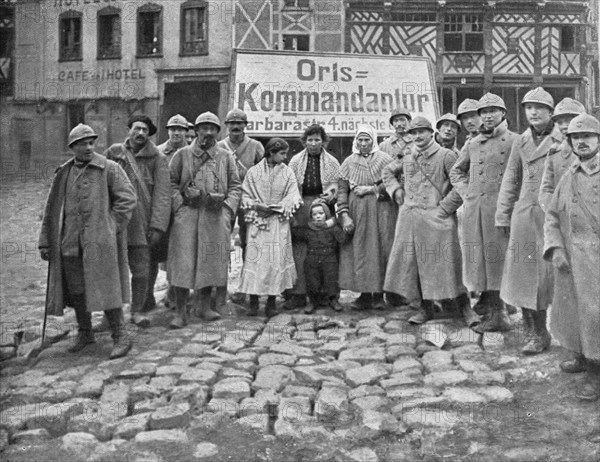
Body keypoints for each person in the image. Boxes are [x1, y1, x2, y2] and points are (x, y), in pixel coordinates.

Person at [39, 124, 137, 359]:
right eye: (82, 144)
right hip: (70, 242)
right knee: (77, 290)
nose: (88, 147)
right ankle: (85, 333)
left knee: (107, 288)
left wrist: (111, 225)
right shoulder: (63, 173)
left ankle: (120, 335)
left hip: (100, 243)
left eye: (91, 142)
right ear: (72, 147)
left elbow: (127, 198)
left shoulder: (109, 168)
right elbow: (51, 210)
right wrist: (45, 241)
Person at [382, 117, 476, 326]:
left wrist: (444, 208)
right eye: (413, 133)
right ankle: (426, 308)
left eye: (422, 132)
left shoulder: (446, 155)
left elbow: (461, 183)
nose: (418, 136)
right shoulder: (407, 155)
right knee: (417, 265)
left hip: (438, 218)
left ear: (431, 132)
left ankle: (464, 306)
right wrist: (395, 189)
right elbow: (388, 171)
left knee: (449, 263)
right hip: (412, 218)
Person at [496, 87, 561, 355]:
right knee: (522, 276)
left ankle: (553, 330)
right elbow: (511, 179)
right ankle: (533, 331)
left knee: (549, 276)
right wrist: (503, 214)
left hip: (551, 216)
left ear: (550, 112)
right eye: (528, 107)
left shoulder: (563, 140)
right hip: (524, 215)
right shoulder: (520, 142)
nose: (533, 112)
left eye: (539, 107)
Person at [543, 113, 600, 400]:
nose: (581, 142)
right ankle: (581, 354)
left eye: (587, 136)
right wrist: (555, 248)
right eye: (576, 138)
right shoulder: (569, 175)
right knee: (573, 312)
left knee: (596, 314)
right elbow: (552, 215)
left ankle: (596, 372)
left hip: (597, 257)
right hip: (573, 256)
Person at [450, 93, 518, 331]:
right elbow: (456, 172)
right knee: (481, 262)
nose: (488, 116)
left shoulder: (515, 141)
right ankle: (492, 309)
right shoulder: (473, 143)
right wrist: (468, 193)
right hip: (476, 212)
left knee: (499, 262)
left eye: (493, 111)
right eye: (483, 112)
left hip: (502, 211)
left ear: (503, 114)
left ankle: (500, 314)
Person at [168, 112, 241, 328]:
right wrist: (179, 206)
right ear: (196, 130)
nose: (208, 132)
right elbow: (170, 183)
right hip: (188, 216)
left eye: (212, 128)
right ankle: (180, 311)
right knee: (184, 262)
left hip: (215, 215)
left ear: (218, 132)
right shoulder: (182, 155)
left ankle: (204, 306)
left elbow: (236, 186)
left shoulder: (226, 157)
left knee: (210, 261)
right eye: (203, 128)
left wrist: (227, 210)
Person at [104, 115, 171, 328]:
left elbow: (162, 194)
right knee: (111, 270)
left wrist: (158, 226)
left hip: (141, 224)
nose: (140, 133)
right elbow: (101, 184)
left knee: (141, 270)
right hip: (115, 221)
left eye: (145, 130)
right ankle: (109, 316)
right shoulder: (114, 153)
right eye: (137, 128)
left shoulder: (157, 158)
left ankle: (138, 310)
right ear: (129, 130)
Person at [238, 138, 302, 317]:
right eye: (282, 153)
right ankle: (253, 301)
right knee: (255, 260)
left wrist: (280, 207)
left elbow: (294, 195)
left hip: (277, 221)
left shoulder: (287, 172)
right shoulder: (254, 172)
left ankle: (272, 302)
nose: (285, 156)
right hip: (258, 221)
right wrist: (258, 206)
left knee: (275, 261)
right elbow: (244, 195)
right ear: (271, 152)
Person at [337, 124, 396, 310]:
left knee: (379, 248)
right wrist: (345, 215)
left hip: (381, 208)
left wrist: (372, 189)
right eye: (360, 140)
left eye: (367, 140)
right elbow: (341, 191)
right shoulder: (348, 162)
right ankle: (363, 294)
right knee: (360, 250)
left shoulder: (385, 159)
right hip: (357, 211)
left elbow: (393, 183)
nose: (363, 144)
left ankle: (378, 294)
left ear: (373, 141)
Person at [287, 124, 341, 310]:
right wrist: (294, 209)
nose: (313, 143)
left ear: (323, 141)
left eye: (317, 139)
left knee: (326, 247)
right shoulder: (295, 161)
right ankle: (300, 293)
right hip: (301, 206)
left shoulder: (332, 162)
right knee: (301, 250)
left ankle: (328, 294)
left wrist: (329, 196)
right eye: (310, 140)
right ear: (304, 141)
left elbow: (337, 186)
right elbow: (290, 186)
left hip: (323, 206)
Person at [216, 108, 265, 308]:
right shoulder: (219, 146)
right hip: (226, 199)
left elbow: (265, 172)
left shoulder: (255, 146)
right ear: (226, 126)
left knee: (249, 243)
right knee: (220, 242)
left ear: (246, 125)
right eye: (232, 123)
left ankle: (247, 289)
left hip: (249, 200)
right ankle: (219, 290)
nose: (236, 127)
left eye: (240, 123)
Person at [151, 114, 190, 311]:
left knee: (181, 251)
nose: (176, 132)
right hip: (163, 208)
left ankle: (177, 292)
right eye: (173, 129)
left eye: (180, 129)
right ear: (167, 131)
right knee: (164, 253)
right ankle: (168, 290)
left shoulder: (191, 153)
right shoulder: (158, 153)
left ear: (186, 131)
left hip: (184, 208)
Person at [291, 200, 349, 314]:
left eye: (321, 214)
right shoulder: (308, 228)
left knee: (331, 280)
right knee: (312, 280)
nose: (318, 217)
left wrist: (348, 230)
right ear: (311, 216)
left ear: (326, 214)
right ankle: (313, 301)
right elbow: (297, 234)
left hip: (329, 258)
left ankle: (333, 300)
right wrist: (292, 223)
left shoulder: (333, 228)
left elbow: (342, 239)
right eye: (314, 214)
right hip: (312, 258)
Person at [539, 98, 586, 213]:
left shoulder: (595, 150)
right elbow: (546, 188)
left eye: (569, 121)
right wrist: (554, 211)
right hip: (563, 218)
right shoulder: (555, 152)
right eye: (560, 122)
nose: (564, 126)